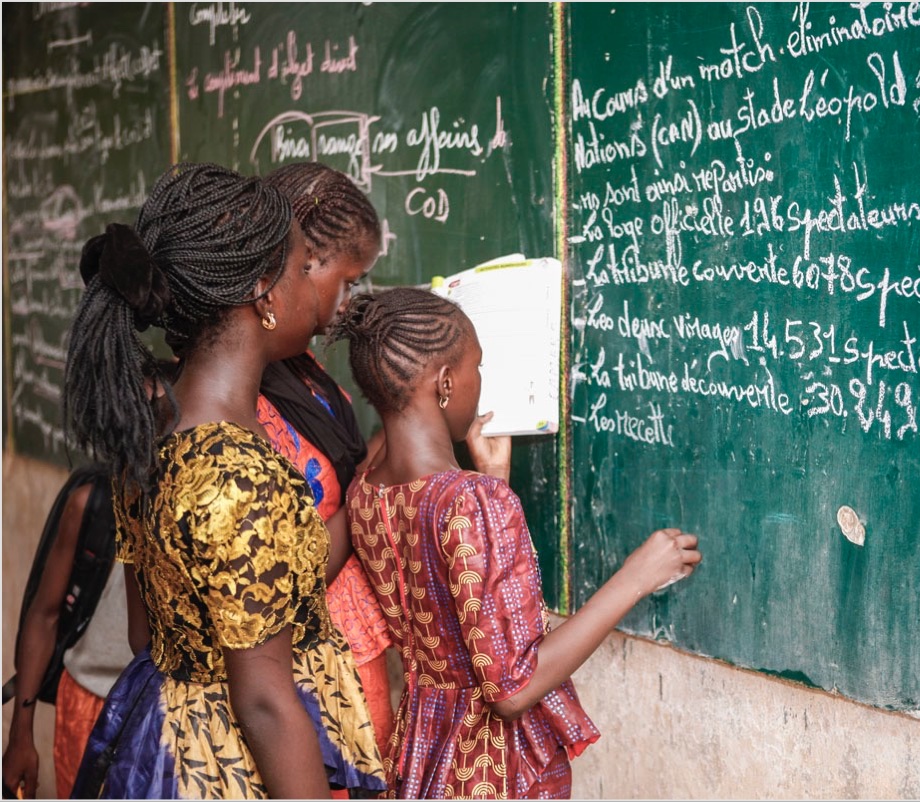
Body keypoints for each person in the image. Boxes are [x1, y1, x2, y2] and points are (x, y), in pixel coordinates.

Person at [62, 162, 387, 798]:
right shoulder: (237, 475)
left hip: (167, 746)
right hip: (233, 769)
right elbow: (265, 703)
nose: (311, 287)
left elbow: (144, 635)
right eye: (301, 269)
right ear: (264, 292)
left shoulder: (152, 435)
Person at [330, 287, 702, 799]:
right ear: (444, 383)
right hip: (491, 767)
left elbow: (452, 595)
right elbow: (513, 690)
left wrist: (494, 479)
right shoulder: (472, 502)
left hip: (424, 748)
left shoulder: (366, 490)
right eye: (477, 367)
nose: (480, 383)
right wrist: (636, 577)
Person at [258, 161, 396, 754]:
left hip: (350, 654)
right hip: (308, 683)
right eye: (348, 281)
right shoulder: (244, 402)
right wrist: (370, 481)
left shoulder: (306, 372)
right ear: (302, 261)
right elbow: (294, 580)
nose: (348, 302)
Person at [3, 363, 176, 800]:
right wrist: (21, 733)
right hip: (88, 705)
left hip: (168, 712)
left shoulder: (199, 509)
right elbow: (43, 617)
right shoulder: (93, 502)